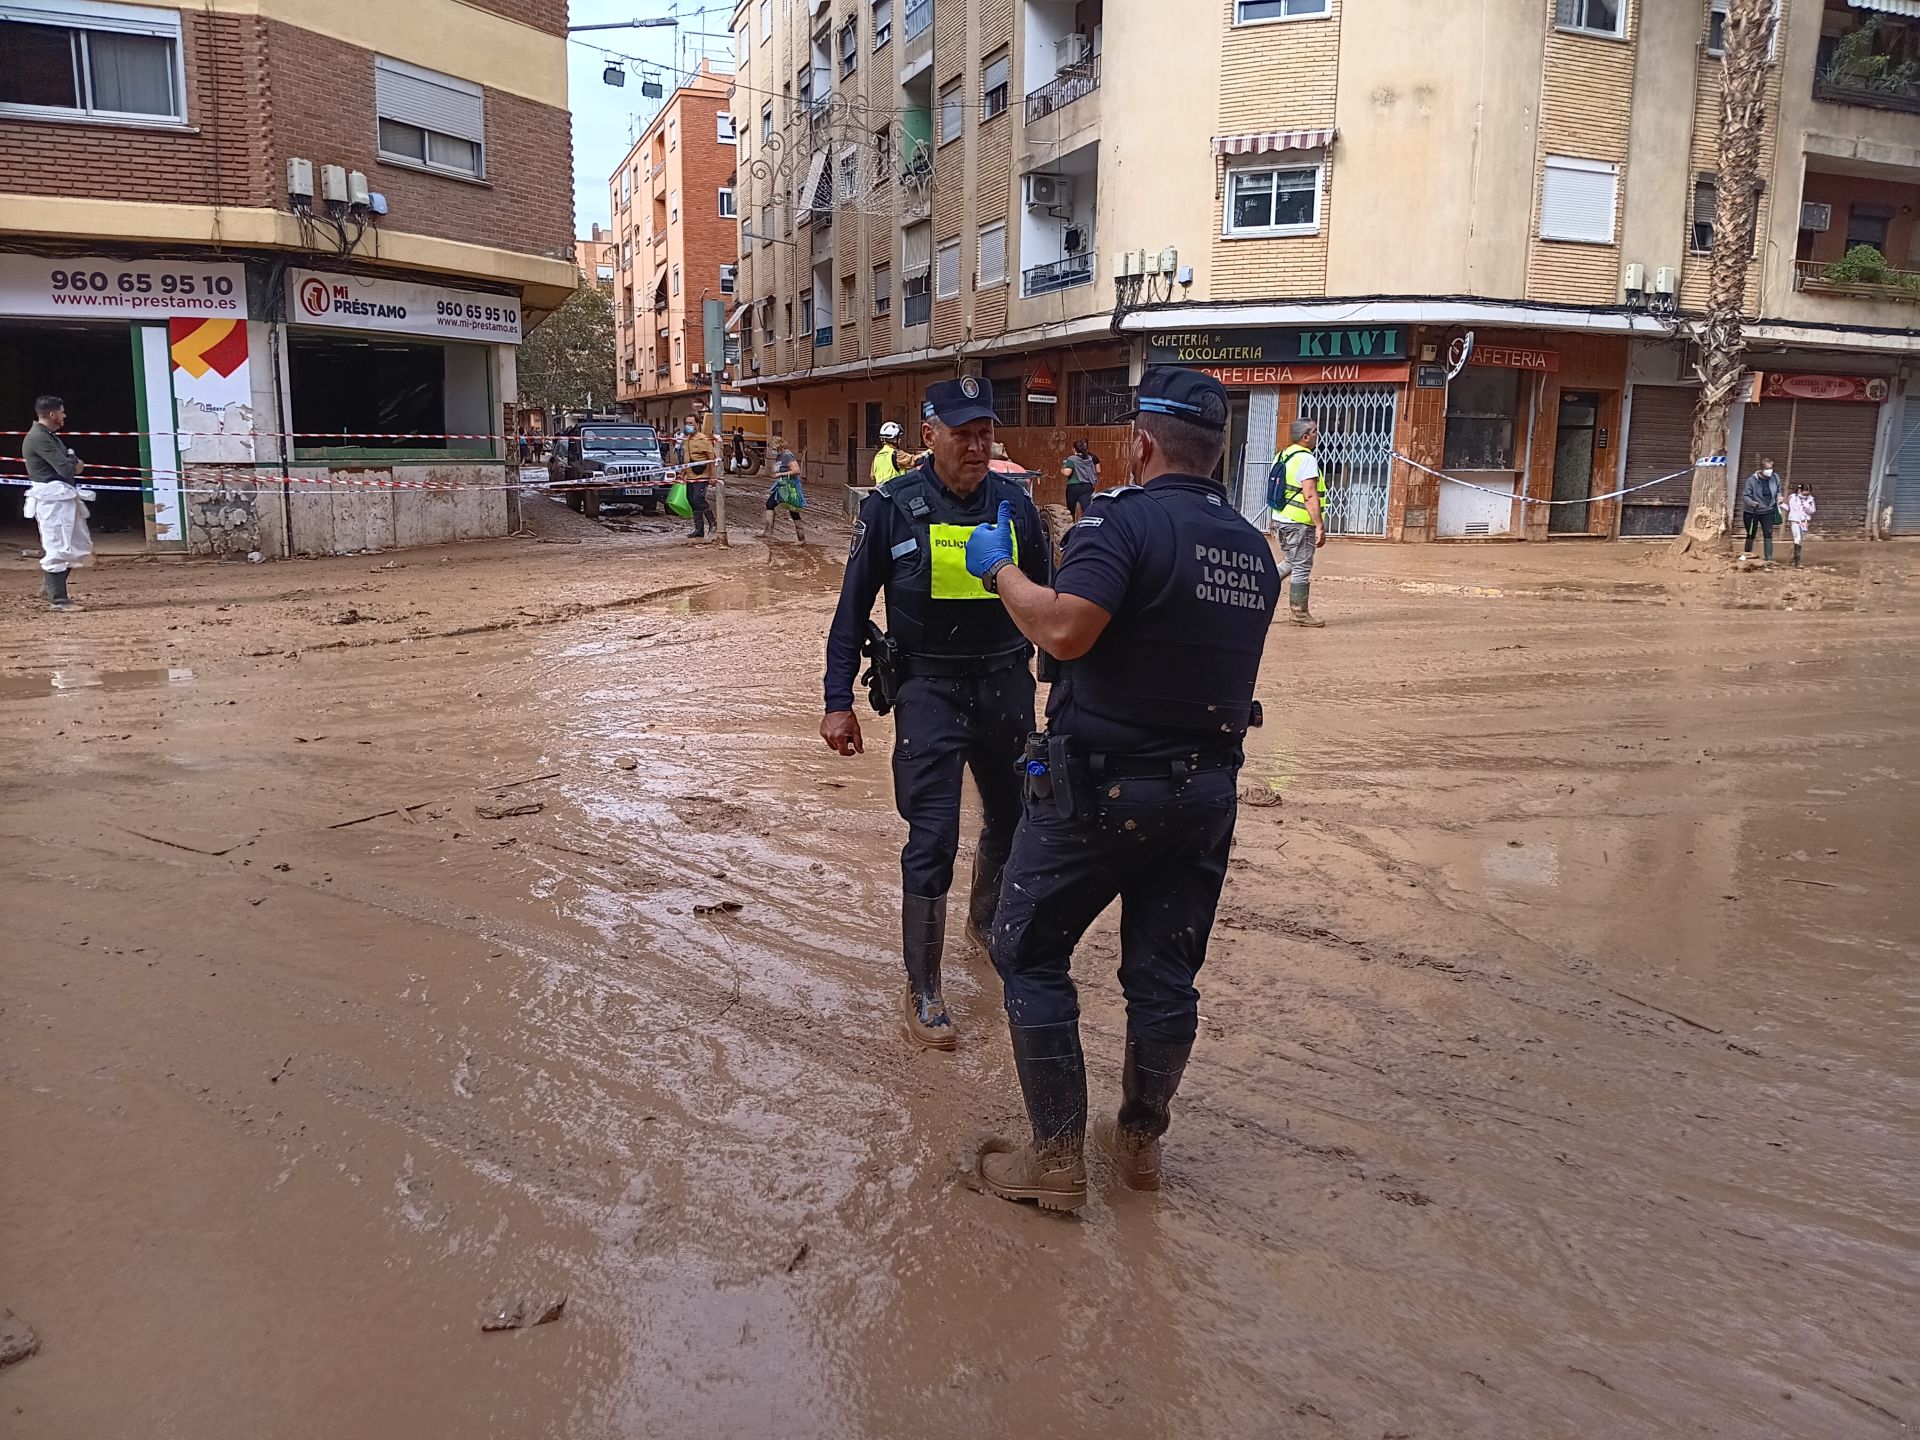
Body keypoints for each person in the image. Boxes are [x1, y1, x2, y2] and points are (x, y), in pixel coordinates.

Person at [958, 367, 1281, 1211]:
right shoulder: (1254, 548)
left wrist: (1001, 574)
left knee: (1027, 950)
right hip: (1206, 795)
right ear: (1217, 451)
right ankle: (1139, 1147)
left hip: (1100, 793)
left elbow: (1065, 631)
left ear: (1140, 444)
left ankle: (1057, 1160)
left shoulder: (1121, 518)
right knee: (1163, 974)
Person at [820, 376, 1051, 1050]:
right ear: (929, 436)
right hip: (929, 691)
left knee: (1014, 818)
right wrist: (838, 703)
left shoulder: (1016, 505)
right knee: (933, 839)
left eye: (985, 433)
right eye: (963, 434)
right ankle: (924, 991)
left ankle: (984, 926)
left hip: (1007, 683)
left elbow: (1053, 602)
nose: (978, 446)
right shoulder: (891, 507)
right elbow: (849, 613)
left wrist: (1064, 693)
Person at [22, 395, 92, 612]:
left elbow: (69, 463)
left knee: (76, 545)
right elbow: (68, 467)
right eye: (62, 411)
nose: (64, 415)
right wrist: (73, 461)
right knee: (58, 546)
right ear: (52, 414)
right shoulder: (40, 438)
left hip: (62, 497)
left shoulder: (49, 436)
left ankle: (50, 588)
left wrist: (72, 461)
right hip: (52, 500)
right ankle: (58, 600)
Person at [1269, 419, 1328, 627]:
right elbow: (1310, 495)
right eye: (1314, 432)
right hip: (1298, 522)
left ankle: (1262, 586)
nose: (1316, 435)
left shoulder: (1283, 455)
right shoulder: (1305, 458)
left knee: (1291, 562)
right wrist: (1319, 525)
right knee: (1302, 565)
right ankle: (1299, 613)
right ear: (1305, 437)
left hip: (1280, 520)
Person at [682, 418, 719, 539]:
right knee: (691, 499)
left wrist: (713, 476)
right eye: (687, 423)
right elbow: (686, 458)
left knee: (698, 499)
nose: (688, 426)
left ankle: (713, 523)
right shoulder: (686, 439)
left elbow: (711, 458)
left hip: (701, 475)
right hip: (690, 476)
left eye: (691, 423)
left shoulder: (702, 439)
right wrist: (682, 472)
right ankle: (699, 529)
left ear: (697, 425)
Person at [1741, 457, 1783, 563]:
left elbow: (1778, 490)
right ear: (1761, 469)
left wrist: (1779, 497)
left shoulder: (1775, 477)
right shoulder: (1752, 480)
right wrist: (1751, 503)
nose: (1770, 471)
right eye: (1767, 469)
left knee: (1768, 533)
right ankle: (1746, 555)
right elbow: (1746, 495)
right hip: (1752, 511)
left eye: (1771, 468)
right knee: (1751, 533)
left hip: (1768, 510)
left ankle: (1769, 558)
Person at [765, 442, 807, 542]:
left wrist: (781, 474)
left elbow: (796, 470)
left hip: (790, 486)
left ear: (777, 446)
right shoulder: (780, 456)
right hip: (782, 486)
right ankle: (768, 532)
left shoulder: (787, 455)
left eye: (772, 448)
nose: (771, 451)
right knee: (770, 504)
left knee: (793, 510)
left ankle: (801, 539)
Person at [1061, 438, 1099, 520]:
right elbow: (1097, 471)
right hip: (1087, 487)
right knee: (1087, 510)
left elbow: (1067, 472)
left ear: (1074, 449)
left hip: (1074, 487)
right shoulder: (1089, 458)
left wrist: (1063, 467)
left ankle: (1072, 527)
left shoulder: (1071, 459)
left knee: (1071, 511)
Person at [1785, 480, 1816, 567]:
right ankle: (1797, 562)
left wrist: (1806, 506)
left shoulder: (1811, 499)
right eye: (1804, 494)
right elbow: (1786, 507)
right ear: (1800, 491)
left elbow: (1812, 510)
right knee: (1797, 539)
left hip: (1804, 521)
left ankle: (1792, 557)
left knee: (1799, 541)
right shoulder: (1792, 497)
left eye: (1808, 494)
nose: (1806, 495)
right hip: (1794, 521)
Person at [871, 421, 911, 486]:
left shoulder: (877, 456)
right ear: (893, 438)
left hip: (881, 493)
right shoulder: (897, 454)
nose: (900, 440)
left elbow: (872, 476)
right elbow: (915, 460)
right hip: (896, 493)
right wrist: (929, 452)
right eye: (899, 437)